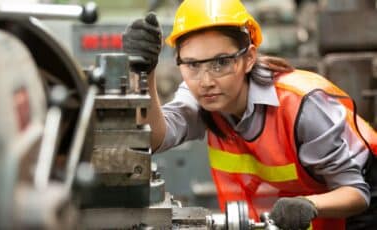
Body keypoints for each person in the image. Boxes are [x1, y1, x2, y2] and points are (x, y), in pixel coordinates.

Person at [122, 0, 377, 229]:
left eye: (221, 62)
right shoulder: (200, 96)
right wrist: (145, 71)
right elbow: (154, 139)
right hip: (295, 210)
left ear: (249, 58)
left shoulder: (300, 105)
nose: (206, 80)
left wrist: (308, 204)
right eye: (192, 65)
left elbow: (356, 193)